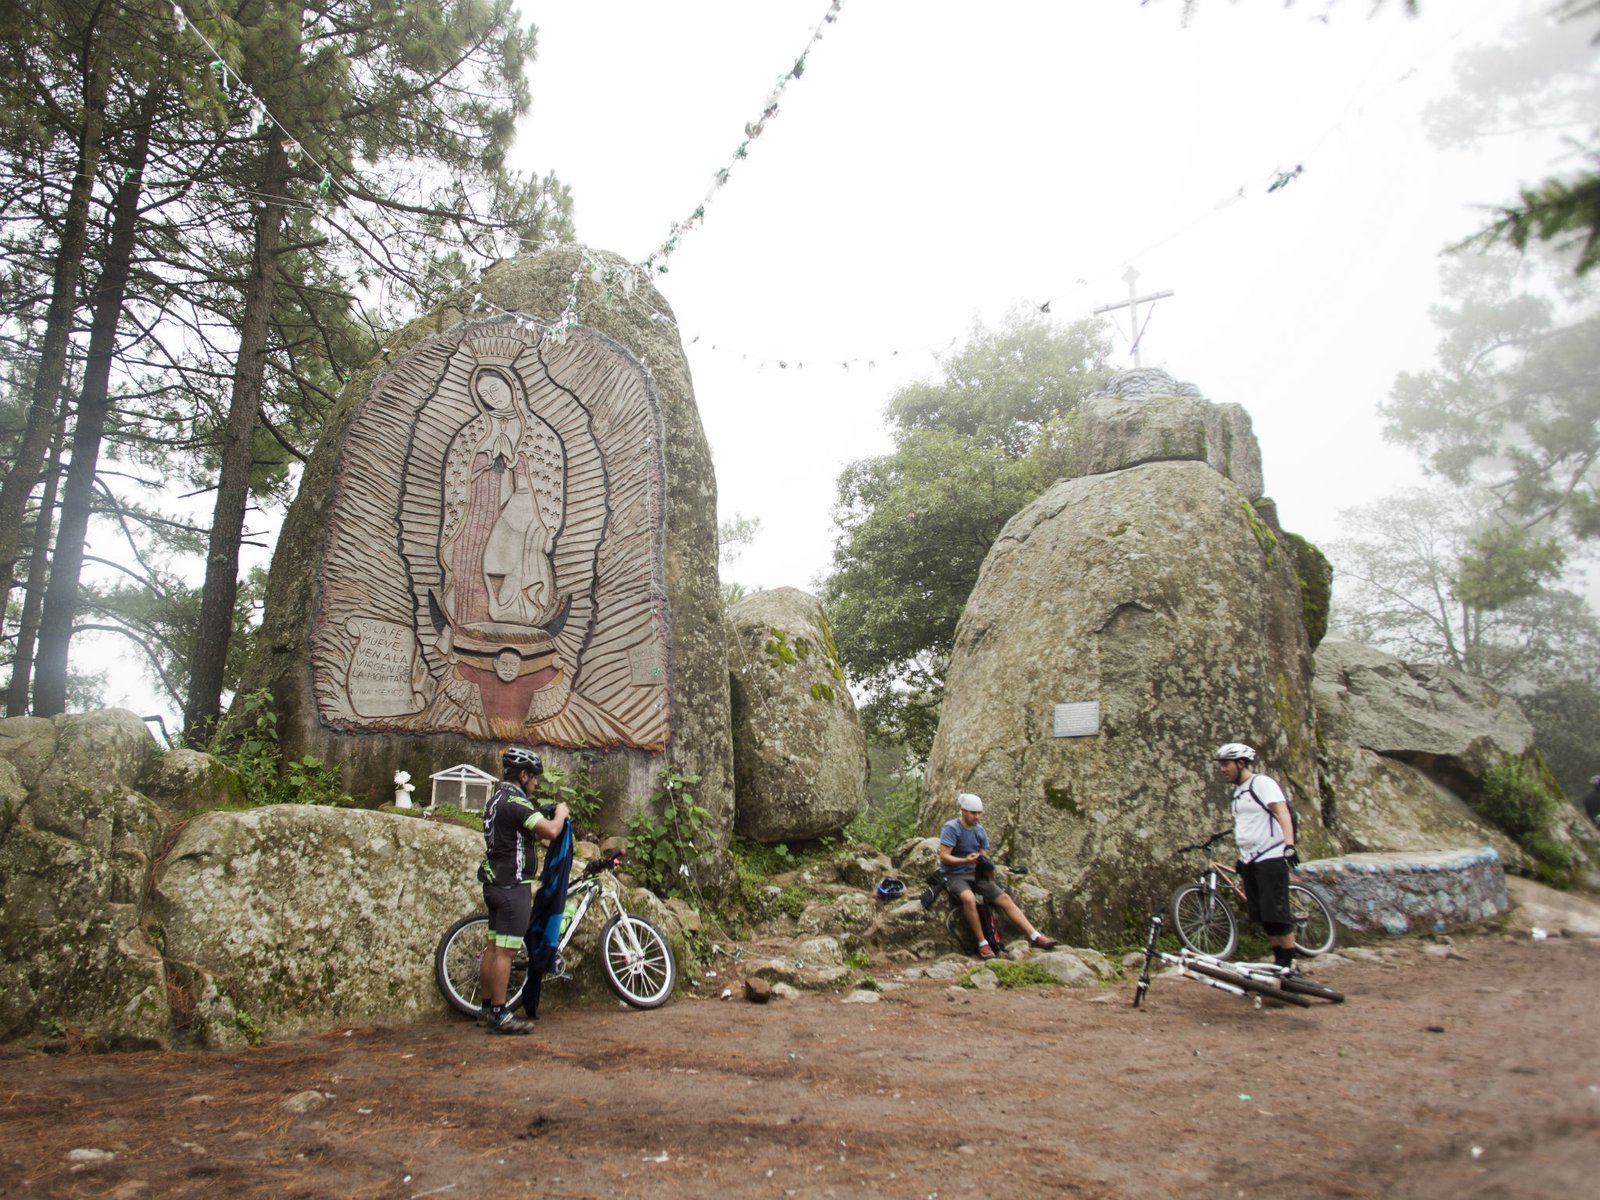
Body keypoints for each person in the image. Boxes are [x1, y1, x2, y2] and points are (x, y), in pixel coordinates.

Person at [477, 745, 567, 1034]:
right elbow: (551, 831)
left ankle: (486, 1008)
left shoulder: (495, 800)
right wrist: (561, 814)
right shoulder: (517, 802)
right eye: (534, 777)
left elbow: (522, 833)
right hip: (513, 886)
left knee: (493, 948)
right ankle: (500, 1014)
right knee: (506, 952)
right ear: (524, 775)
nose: (536, 783)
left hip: (494, 883)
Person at [938, 792, 1058, 959]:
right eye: (973, 813)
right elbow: (944, 856)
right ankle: (983, 943)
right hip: (954, 874)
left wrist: (987, 868)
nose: (977, 817)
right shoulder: (952, 828)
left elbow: (984, 855)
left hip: (975, 873)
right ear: (963, 811)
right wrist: (965, 861)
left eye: (979, 813)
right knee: (968, 898)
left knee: (1005, 899)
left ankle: (1035, 935)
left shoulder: (979, 830)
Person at [1214, 742, 1300, 969]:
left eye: (1226, 764)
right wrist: (1242, 857)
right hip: (1251, 860)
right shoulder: (1238, 793)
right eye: (1221, 764)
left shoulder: (1261, 783)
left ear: (1241, 763)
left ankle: (1290, 964)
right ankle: (1279, 962)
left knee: (1278, 914)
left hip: (1271, 856)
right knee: (1265, 917)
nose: (1222, 769)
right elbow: (1247, 826)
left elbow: (1282, 812)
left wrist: (1289, 846)